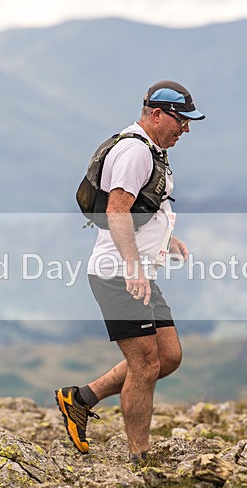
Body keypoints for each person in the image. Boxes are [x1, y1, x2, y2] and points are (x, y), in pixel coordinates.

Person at [56, 80, 205, 465]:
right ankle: (140, 459)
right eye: (181, 120)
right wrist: (134, 267)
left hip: (136, 272)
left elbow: (145, 208)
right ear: (157, 114)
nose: (185, 129)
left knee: (168, 356)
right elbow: (117, 211)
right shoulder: (134, 151)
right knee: (145, 365)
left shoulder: (151, 149)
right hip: (118, 275)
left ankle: (80, 399)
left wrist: (166, 240)